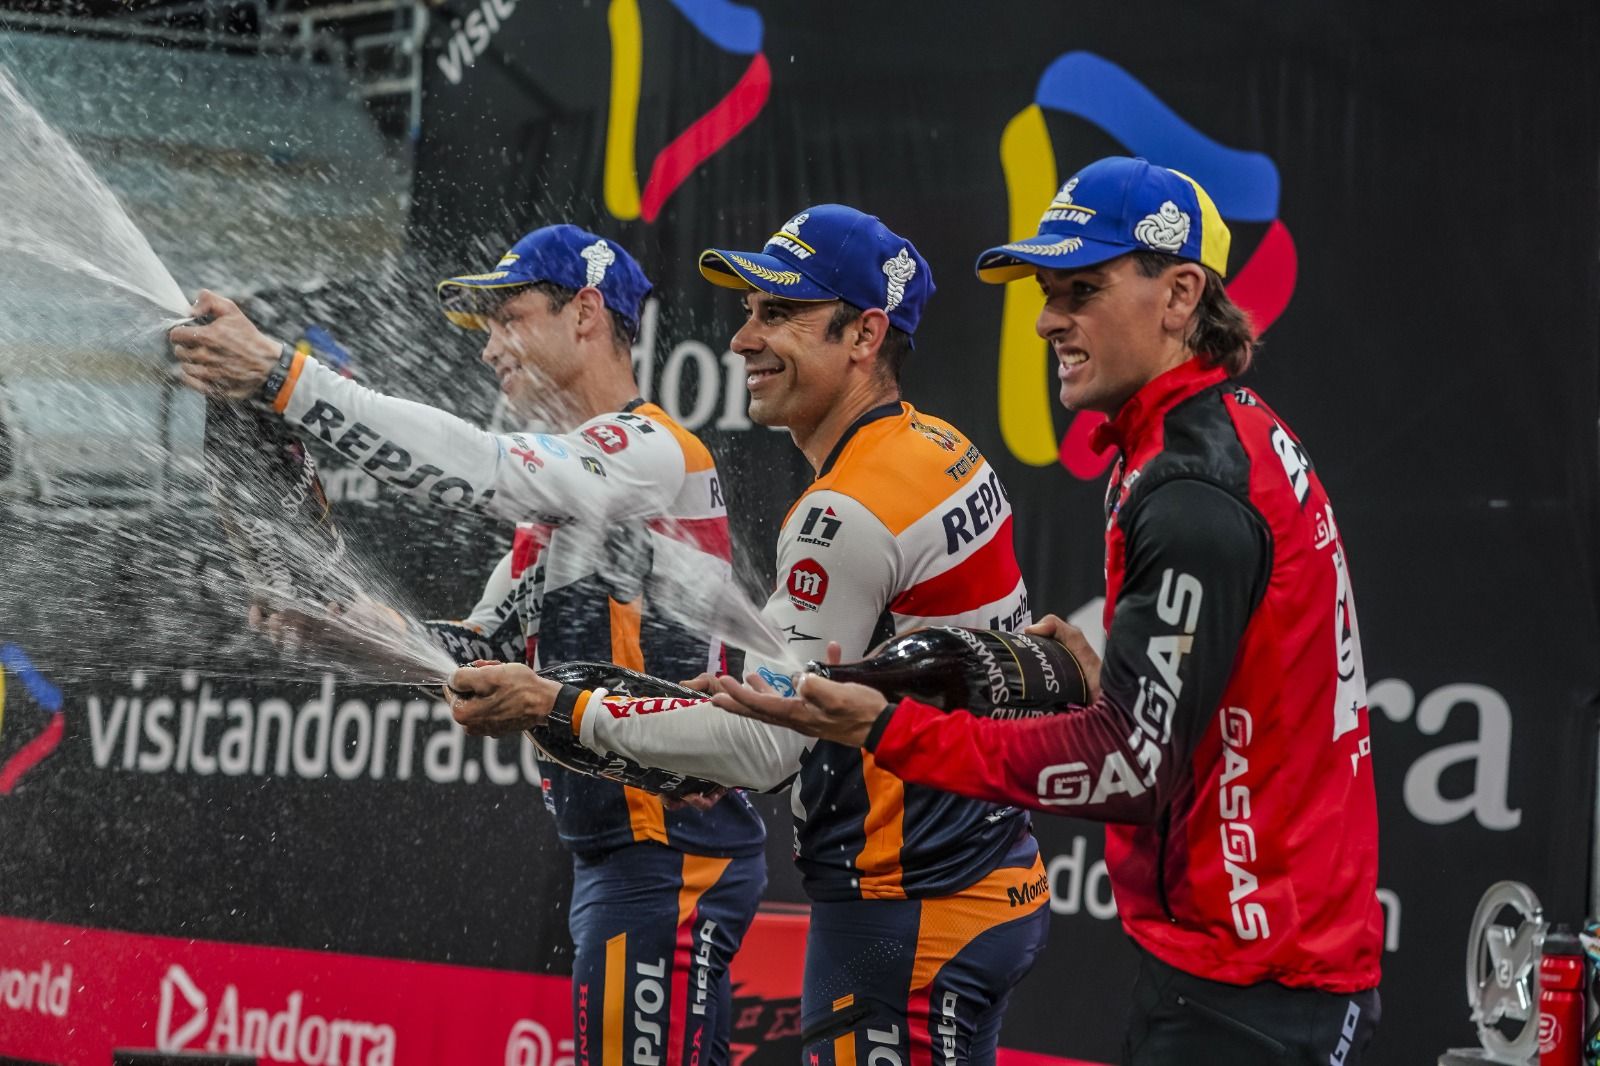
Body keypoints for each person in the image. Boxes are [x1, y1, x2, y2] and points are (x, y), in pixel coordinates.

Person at [709, 157, 1384, 1066]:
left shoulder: (1192, 488)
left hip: (1258, 975)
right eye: (1044, 289)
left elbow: (1131, 768)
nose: (1046, 319)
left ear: (1181, 294)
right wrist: (1106, 683)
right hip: (1240, 953)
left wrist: (891, 729)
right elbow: (1214, 700)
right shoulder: (1205, 439)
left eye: (1082, 289)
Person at [448, 205, 1054, 1065]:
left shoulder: (843, 510)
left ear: (865, 334)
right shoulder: (939, 449)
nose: (743, 339)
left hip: (909, 912)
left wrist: (556, 706)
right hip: (981, 881)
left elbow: (762, 749)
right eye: (749, 311)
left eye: (780, 312)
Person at [169, 224, 768, 1066]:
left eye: (508, 317)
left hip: (669, 858)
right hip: (623, 858)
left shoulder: (653, 450)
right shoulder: (559, 514)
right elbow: (466, 652)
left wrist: (283, 376)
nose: (490, 349)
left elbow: (486, 467)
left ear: (587, 314)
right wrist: (345, 628)